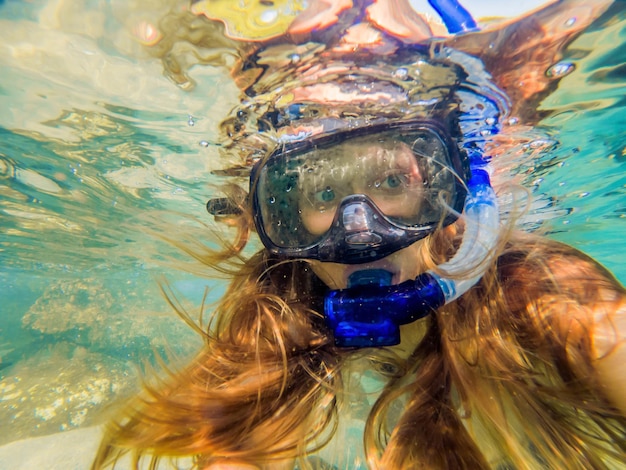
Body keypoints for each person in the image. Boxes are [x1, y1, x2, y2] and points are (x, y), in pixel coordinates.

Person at [93, 1, 626, 469]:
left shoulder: (532, 285)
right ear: (282, 217)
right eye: (324, 196)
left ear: (450, 194)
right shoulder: (284, 307)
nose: (362, 232)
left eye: (392, 182)